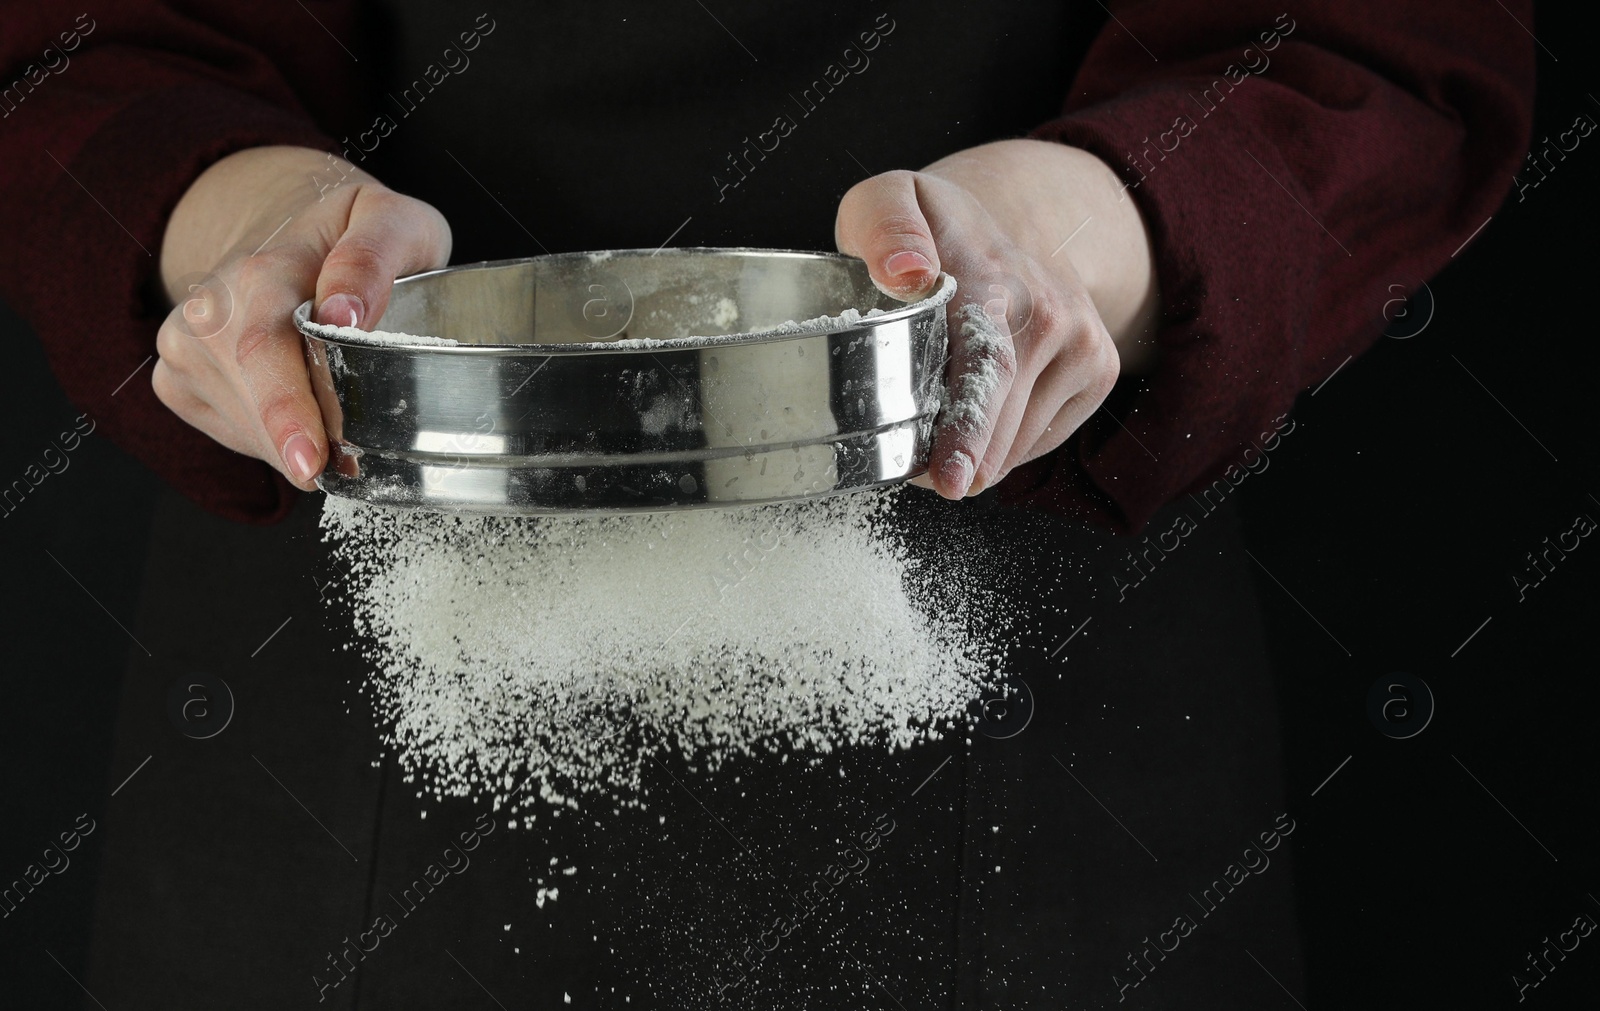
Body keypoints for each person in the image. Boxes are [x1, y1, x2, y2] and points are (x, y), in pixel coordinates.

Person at [0, 2, 1534, 1008]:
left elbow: (1372, 45)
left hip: (1050, 760)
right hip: (347, 733)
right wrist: (251, 231)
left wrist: (1072, 237)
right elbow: (95, 45)